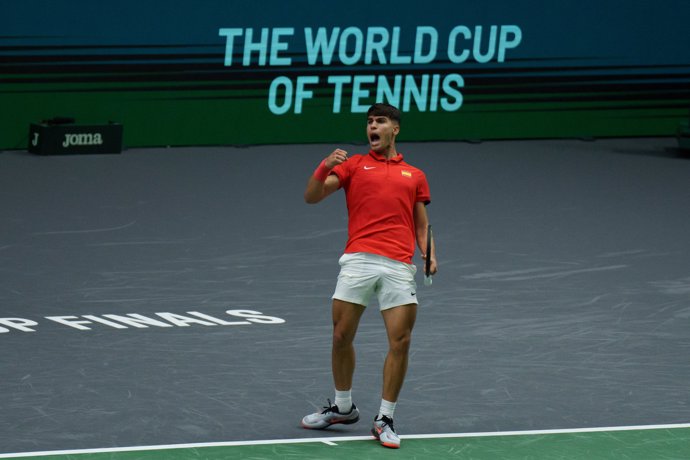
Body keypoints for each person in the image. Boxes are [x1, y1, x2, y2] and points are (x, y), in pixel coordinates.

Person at [300, 103, 437, 449]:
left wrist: (430, 252)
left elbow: (421, 223)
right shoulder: (353, 165)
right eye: (369, 122)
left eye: (380, 121)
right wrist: (323, 167)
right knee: (341, 335)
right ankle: (343, 408)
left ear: (395, 129)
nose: (372, 127)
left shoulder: (415, 175)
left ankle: (385, 418)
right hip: (359, 260)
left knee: (400, 341)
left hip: (397, 265)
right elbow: (312, 197)